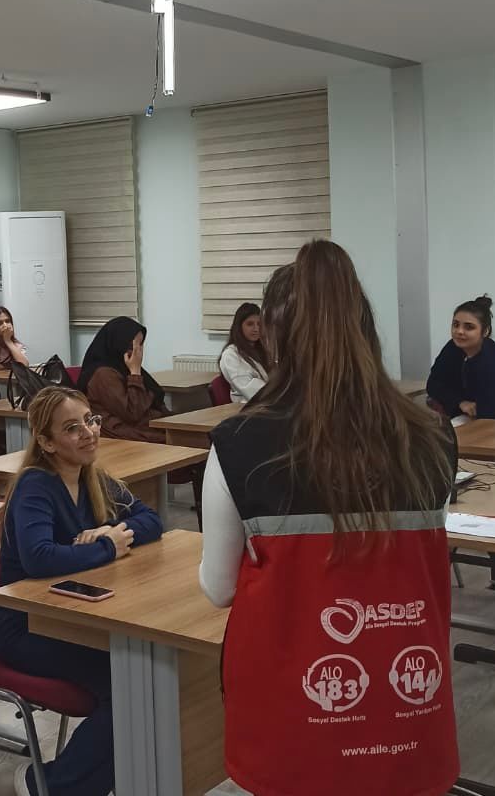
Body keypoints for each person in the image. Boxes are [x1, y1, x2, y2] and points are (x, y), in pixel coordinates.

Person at [199, 242, 459, 796]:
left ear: (273, 336)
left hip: (295, 710)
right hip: (408, 696)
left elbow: (219, 589)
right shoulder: (434, 436)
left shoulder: (238, 442)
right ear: (364, 326)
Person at [0, 386, 163, 796]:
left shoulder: (93, 476)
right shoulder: (36, 485)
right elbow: (39, 558)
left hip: (76, 617)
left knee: (149, 677)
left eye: (91, 420)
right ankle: (50, 786)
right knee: (130, 687)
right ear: (47, 443)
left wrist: (111, 531)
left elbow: (151, 520)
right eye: (72, 428)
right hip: (28, 627)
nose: (88, 433)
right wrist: (109, 548)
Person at [426, 295, 495, 421]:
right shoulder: (453, 348)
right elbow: (433, 384)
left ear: (485, 331)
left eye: (469, 327)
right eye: (455, 325)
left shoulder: (494, 362)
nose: (459, 331)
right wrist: (460, 402)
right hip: (478, 415)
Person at [76, 317, 167, 443]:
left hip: (141, 428)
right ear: (118, 344)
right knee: (182, 439)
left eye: (140, 345)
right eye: (131, 346)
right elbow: (133, 413)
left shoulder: (121, 367)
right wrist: (135, 373)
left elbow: (154, 401)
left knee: (184, 431)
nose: (137, 353)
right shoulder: (103, 374)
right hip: (124, 434)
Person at [217, 302, 269, 404]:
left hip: (265, 404)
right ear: (239, 326)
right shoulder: (231, 355)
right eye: (250, 324)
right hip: (247, 407)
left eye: (259, 324)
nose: (256, 329)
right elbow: (252, 391)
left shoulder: (261, 351)